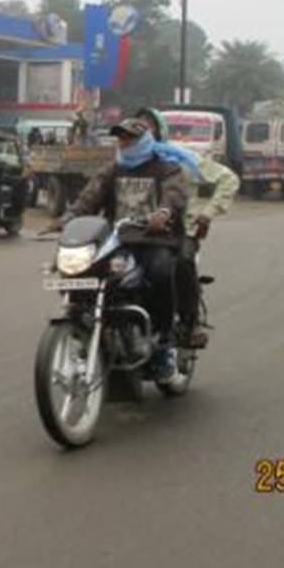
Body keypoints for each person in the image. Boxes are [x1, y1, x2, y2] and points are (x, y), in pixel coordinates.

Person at [56, 116, 188, 380]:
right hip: (116, 241)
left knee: (161, 272)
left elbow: (174, 194)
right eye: (121, 138)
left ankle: (163, 342)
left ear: (145, 141)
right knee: (79, 271)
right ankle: (86, 326)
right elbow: (89, 197)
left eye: (129, 138)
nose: (124, 143)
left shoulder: (166, 168)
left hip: (155, 240)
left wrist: (163, 212)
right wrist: (69, 216)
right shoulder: (112, 170)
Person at [133, 106, 239, 348]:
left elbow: (228, 179)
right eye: (137, 127)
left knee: (181, 261)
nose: (142, 132)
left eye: (148, 127)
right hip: (135, 230)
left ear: (160, 131)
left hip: (178, 229)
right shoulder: (127, 159)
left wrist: (207, 215)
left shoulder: (182, 158)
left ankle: (190, 323)